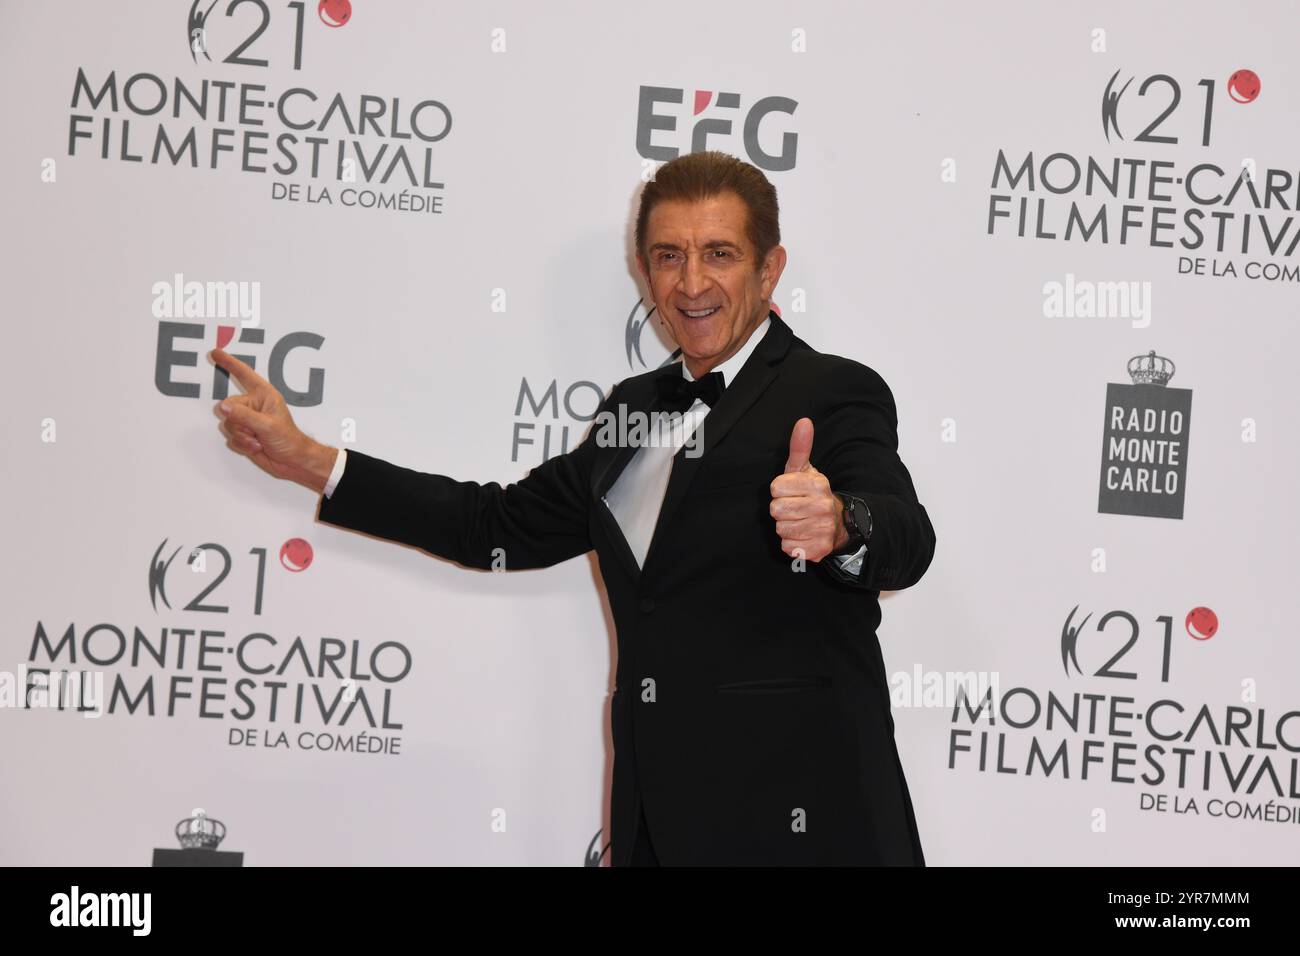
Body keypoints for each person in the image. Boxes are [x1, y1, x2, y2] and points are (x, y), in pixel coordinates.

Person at [211, 150, 936, 866]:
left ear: (770, 268)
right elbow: (493, 525)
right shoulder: (634, 408)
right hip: (657, 817)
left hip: (802, 817)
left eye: (719, 253)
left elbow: (906, 536)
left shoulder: (834, 390)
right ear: (645, 270)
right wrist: (309, 460)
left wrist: (842, 522)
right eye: (667, 256)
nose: (691, 283)